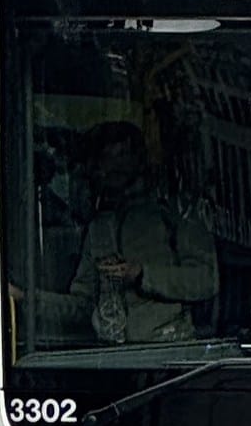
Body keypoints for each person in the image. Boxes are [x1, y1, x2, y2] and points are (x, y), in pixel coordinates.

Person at [66, 122, 218, 344]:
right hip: (109, 356)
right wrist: (26, 300)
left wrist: (143, 275)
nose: (113, 166)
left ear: (139, 160)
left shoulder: (176, 212)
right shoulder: (99, 227)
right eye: (106, 159)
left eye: (121, 155)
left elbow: (206, 279)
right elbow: (82, 302)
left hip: (172, 350)